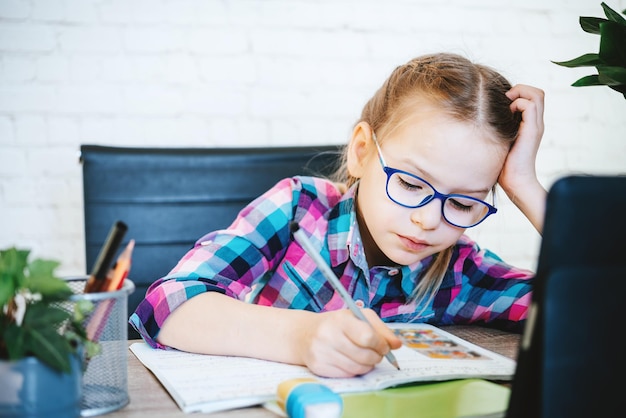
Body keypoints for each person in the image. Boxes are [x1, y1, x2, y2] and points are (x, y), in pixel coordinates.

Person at [130, 52, 546, 378]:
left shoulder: (459, 271)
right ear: (363, 151)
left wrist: (526, 186)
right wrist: (302, 337)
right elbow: (166, 304)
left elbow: (597, 309)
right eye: (411, 185)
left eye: (462, 203)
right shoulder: (298, 209)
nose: (429, 220)